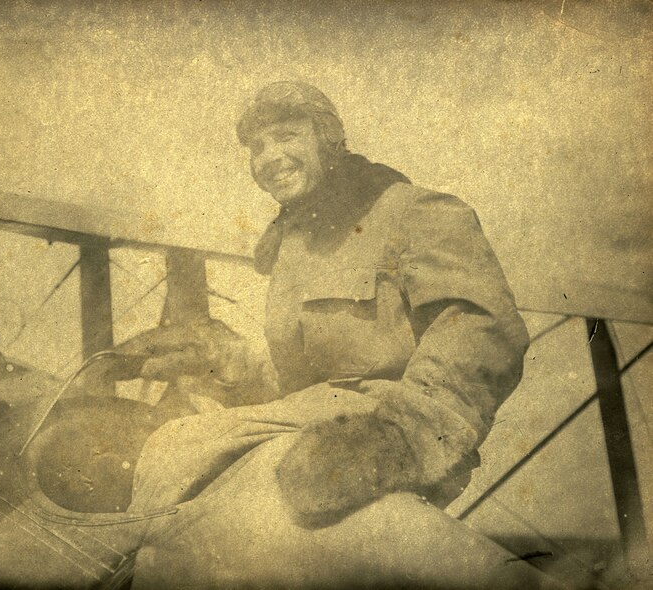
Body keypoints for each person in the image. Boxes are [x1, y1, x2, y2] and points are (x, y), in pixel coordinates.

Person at [114, 82, 549, 587]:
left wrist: (397, 439)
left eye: (286, 136)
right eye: (258, 146)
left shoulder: (414, 211)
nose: (270, 157)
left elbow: (480, 329)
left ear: (327, 138)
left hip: (382, 432)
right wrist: (221, 358)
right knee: (173, 447)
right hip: (312, 422)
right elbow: (304, 373)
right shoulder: (296, 241)